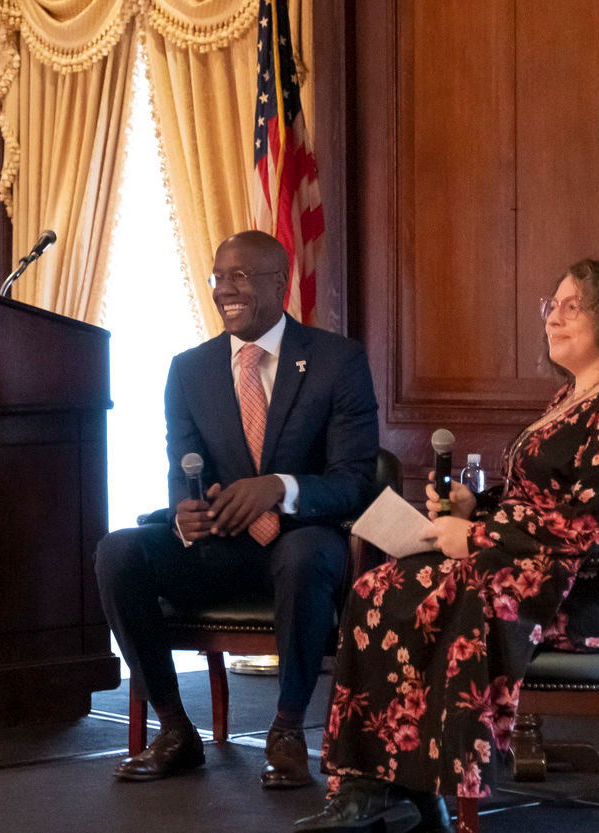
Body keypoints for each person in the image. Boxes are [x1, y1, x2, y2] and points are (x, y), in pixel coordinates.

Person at [297, 257, 599, 833]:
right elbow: (541, 499)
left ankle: (401, 787)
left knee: (398, 592)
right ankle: (387, 785)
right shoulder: (576, 394)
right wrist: (475, 509)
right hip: (538, 568)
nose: (553, 317)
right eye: (552, 305)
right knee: (380, 586)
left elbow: (593, 525)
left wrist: (477, 536)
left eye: (573, 306)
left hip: (587, 593)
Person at [96, 230, 379, 789]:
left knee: (305, 556)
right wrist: (185, 516)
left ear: (280, 283)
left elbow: (354, 482)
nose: (224, 289)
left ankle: (288, 731)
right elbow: (183, 473)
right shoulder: (189, 369)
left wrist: (277, 487)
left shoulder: (336, 360)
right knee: (118, 552)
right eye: (218, 277)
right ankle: (175, 730)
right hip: (218, 548)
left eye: (241, 277)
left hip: (299, 540)